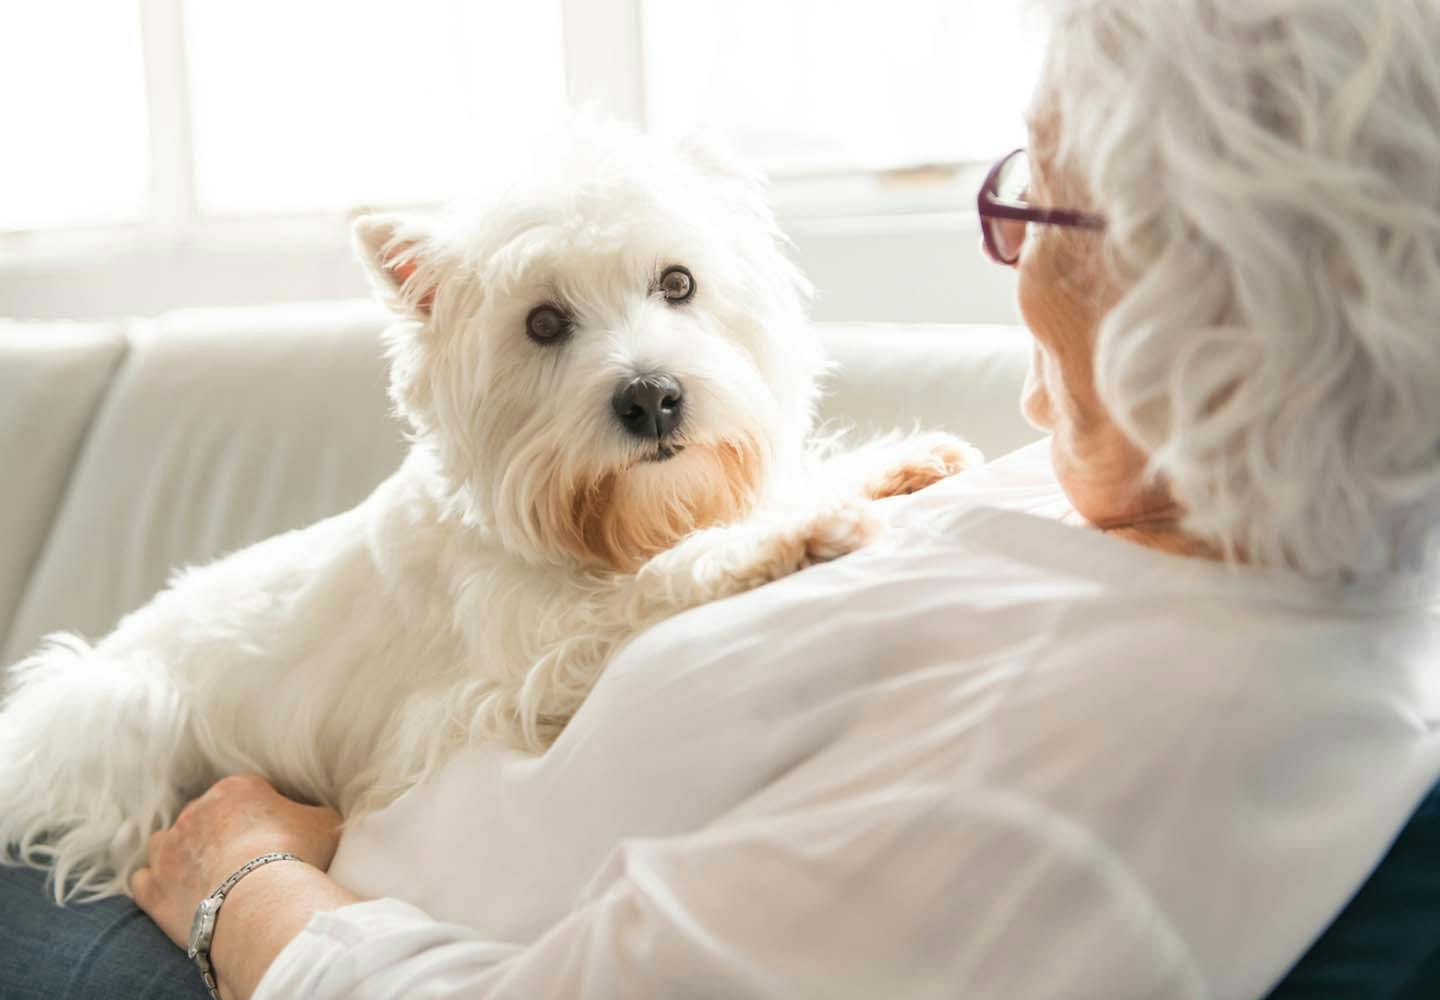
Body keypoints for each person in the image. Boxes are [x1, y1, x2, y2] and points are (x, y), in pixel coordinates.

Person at [4, 0, 1439, 996]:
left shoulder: (1126, 760)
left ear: (1193, 293)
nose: (1006, 263)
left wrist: (241, 881)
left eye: (1030, 201)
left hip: (219, 936)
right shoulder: (1154, 517)